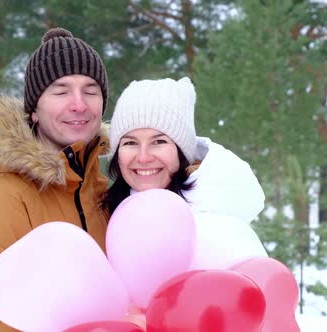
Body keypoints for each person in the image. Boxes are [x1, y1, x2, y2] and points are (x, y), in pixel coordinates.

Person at [0, 27, 110, 332]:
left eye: (91, 90)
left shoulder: (102, 191)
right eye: (61, 90)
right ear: (34, 110)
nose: (79, 104)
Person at [103, 76, 268, 276]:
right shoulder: (110, 214)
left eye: (159, 142)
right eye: (130, 143)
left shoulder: (213, 224)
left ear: (182, 152)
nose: (143, 157)